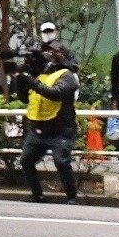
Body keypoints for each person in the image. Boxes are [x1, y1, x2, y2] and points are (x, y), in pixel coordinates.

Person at [15, 43, 81, 204]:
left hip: (61, 130)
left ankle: (72, 197)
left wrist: (31, 81)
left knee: (61, 162)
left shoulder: (67, 75)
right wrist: (20, 81)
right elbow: (24, 98)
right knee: (26, 160)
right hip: (38, 129)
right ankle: (37, 195)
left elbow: (56, 94)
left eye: (49, 53)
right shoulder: (36, 74)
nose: (45, 56)